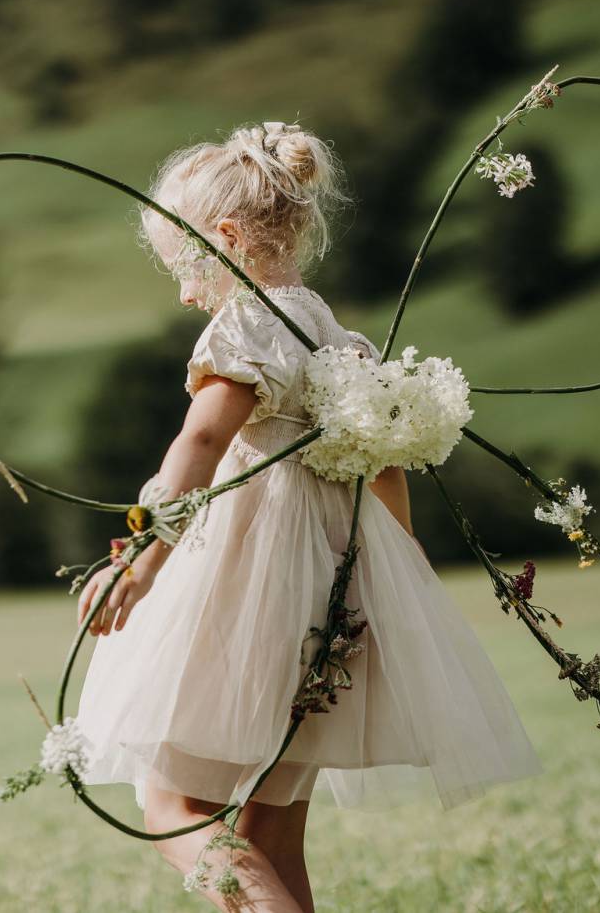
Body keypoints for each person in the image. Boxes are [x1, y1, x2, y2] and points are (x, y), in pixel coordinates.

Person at [72, 121, 543, 911]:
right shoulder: (341, 341)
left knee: (171, 811)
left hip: (248, 589)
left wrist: (144, 555)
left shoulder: (249, 323)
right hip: (330, 597)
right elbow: (384, 465)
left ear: (226, 237)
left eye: (184, 267)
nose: (186, 292)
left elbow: (203, 436)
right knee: (271, 832)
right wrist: (404, 576)